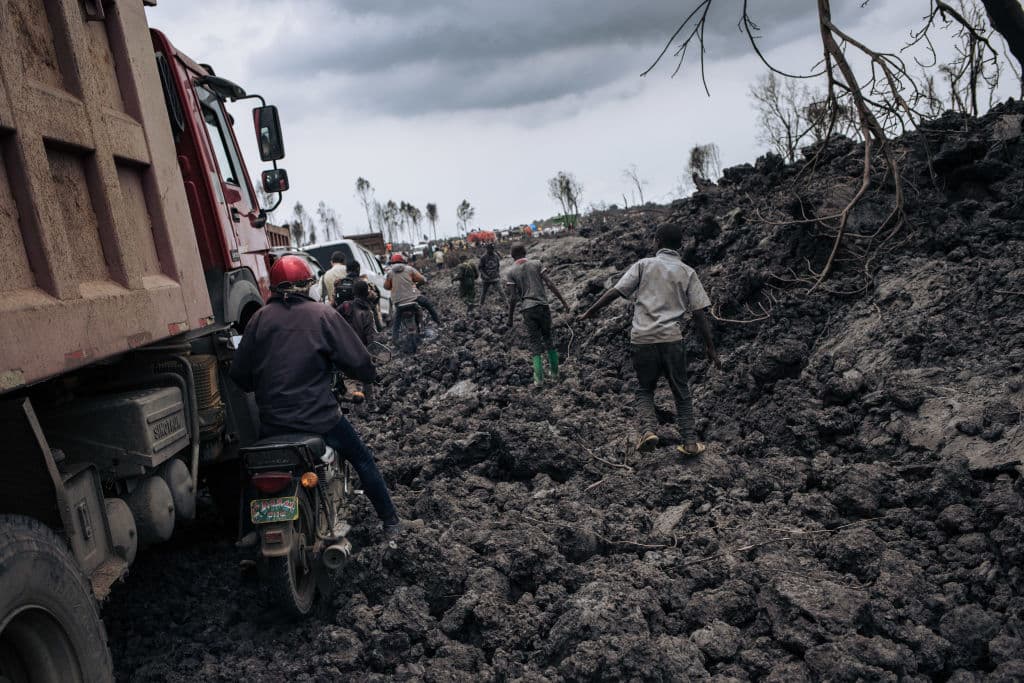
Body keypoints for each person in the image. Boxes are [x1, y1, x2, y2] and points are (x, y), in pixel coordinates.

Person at [230, 255, 413, 535]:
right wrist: (368, 374)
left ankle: (249, 533)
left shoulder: (258, 320)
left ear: (274, 288)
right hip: (319, 418)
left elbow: (239, 375)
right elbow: (358, 361)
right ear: (308, 285)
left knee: (254, 473)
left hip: (273, 424)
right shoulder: (322, 315)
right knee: (362, 459)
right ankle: (391, 522)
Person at [578, 222, 721, 456]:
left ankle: (648, 431)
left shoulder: (643, 265)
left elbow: (616, 291)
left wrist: (590, 311)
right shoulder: (687, 272)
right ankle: (690, 442)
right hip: (671, 339)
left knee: (645, 389)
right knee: (681, 392)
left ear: (657, 241)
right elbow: (699, 314)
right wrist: (710, 347)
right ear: (680, 246)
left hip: (642, 338)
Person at [505, 243, 569, 387]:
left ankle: (539, 379)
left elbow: (513, 298)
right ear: (525, 251)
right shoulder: (537, 264)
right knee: (548, 338)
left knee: (535, 342)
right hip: (543, 306)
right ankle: (555, 373)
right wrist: (564, 303)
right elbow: (550, 284)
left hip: (527, 310)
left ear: (512, 256)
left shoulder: (511, 272)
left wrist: (510, 318)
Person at [384, 253, 440, 344]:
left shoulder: (390, 273)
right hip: (413, 298)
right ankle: (437, 321)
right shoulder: (409, 269)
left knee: (396, 321)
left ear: (392, 262)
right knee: (428, 304)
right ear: (402, 261)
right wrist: (416, 283)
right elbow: (422, 279)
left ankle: (395, 339)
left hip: (398, 302)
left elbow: (386, 287)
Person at [339, 280, 377, 404]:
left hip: (345, 349)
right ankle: (371, 404)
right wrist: (372, 355)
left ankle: (354, 397)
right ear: (366, 293)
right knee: (367, 378)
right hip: (362, 350)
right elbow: (370, 336)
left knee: (350, 379)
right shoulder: (368, 312)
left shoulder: (345, 306)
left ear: (353, 292)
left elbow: (333, 320)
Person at [346, 260, 383, 330]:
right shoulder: (363, 282)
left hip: (345, 316)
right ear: (358, 269)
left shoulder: (340, 282)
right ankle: (377, 329)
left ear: (347, 270)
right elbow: (376, 297)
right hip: (362, 316)